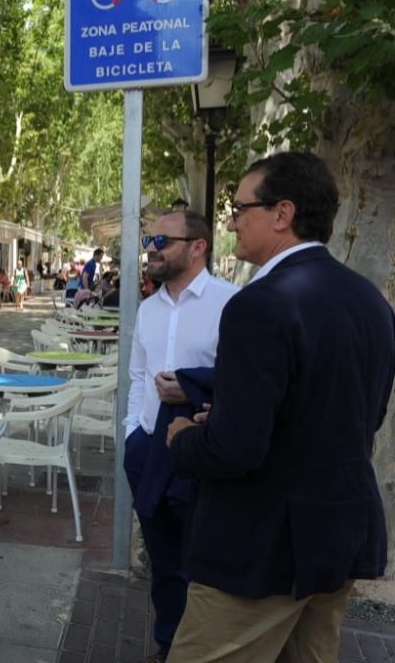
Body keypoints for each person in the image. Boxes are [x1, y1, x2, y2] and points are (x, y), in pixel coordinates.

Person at [166, 152, 395, 661]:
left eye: (240, 207)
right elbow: (355, 419)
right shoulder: (372, 302)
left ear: (282, 213)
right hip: (339, 537)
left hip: (261, 553)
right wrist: (228, 419)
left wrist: (185, 437)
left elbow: (236, 451)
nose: (231, 221)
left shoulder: (257, 304)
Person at [122, 210, 239, 661]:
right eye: (150, 239)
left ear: (197, 246)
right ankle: (168, 646)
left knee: (202, 562)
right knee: (163, 560)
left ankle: (203, 650)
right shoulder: (148, 308)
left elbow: (241, 380)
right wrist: (132, 434)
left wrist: (193, 388)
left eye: (162, 240)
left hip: (202, 451)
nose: (151, 248)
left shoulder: (231, 303)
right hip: (149, 448)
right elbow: (136, 377)